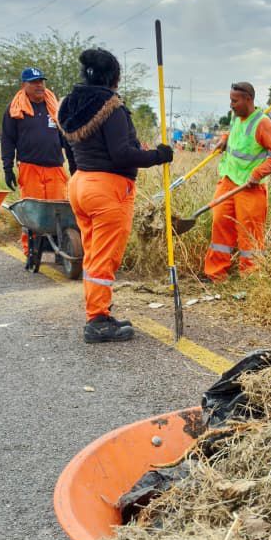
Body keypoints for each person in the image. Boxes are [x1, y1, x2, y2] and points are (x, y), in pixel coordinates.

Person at [58, 48, 173, 343]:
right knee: (104, 257)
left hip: (80, 182)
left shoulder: (68, 105)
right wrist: (158, 155)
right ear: (114, 76)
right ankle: (97, 320)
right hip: (107, 189)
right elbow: (122, 154)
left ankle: (99, 311)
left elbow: (69, 148)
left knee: (93, 254)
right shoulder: (111, 108)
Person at [201, 82, 271, 283]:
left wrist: (257, 174)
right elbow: (235, 132)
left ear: (248, 99)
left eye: (234, 100)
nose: (231, 105)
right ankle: (216, 275)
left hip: (250, 187)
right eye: (231, 100)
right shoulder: (237, 116)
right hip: (228, 180)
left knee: (249, 234)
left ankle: (251, 278)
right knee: (220, 224)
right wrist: (224, 138)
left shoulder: (263, 124)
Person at [1, 66, 74, 253]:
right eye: (34, 82)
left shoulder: (55, 107)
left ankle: (61, 248)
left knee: (60, 210)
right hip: (30, 167)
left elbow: (66, 137)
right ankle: (32, 249)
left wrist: (75, 161)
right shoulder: (14, 109)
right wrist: (7, 167)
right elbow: (8, 139)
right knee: (32, 213)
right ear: (24, 85)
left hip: (55, 167)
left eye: (41, 81)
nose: (39, 85)